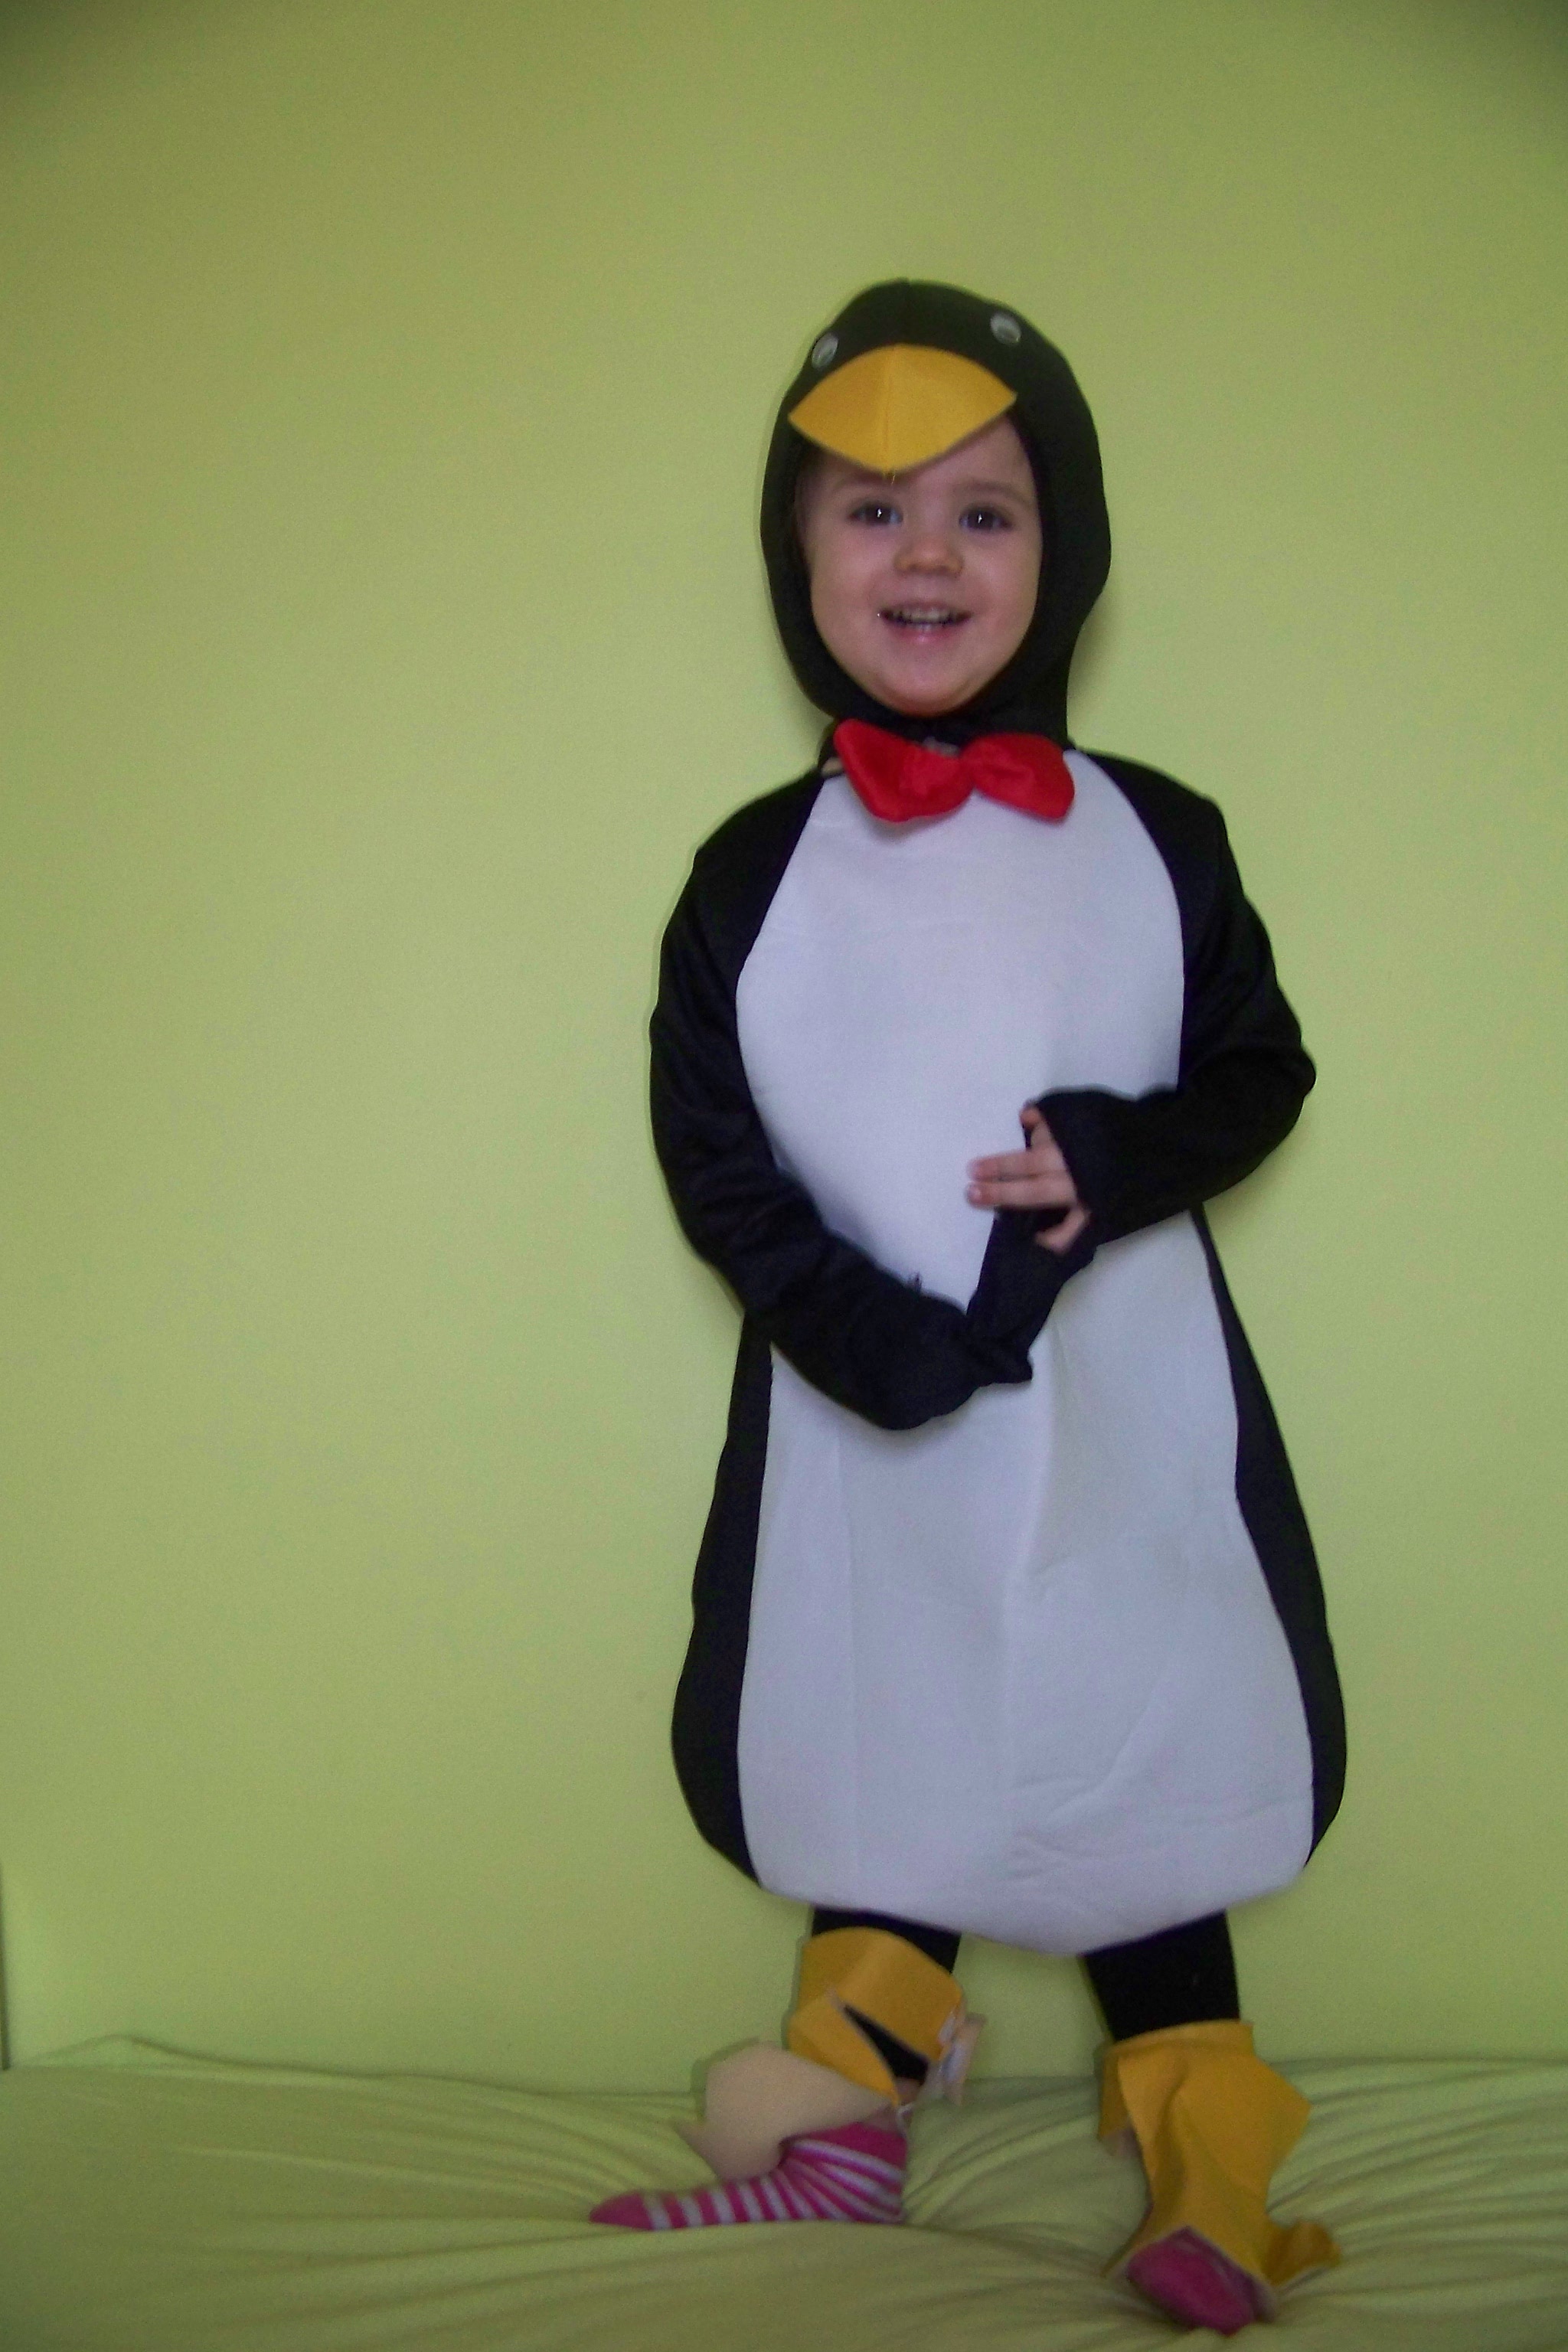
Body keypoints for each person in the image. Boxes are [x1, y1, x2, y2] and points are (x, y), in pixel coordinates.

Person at [591, 279, 1345, 2336]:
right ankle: (839, 2128)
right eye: (870, 508)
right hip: (868, 1415)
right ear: (797, 553)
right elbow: (714, 1155)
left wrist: (1124, 1153)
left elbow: (1263, 1075)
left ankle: (1211, 2175)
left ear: (1062, 546)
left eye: (983, 510)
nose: (925, 554)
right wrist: (863, 1335)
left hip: (1125, 1407)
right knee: (883, 1716)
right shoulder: (750, 875)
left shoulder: (1161, 839)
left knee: (1147, 1731)